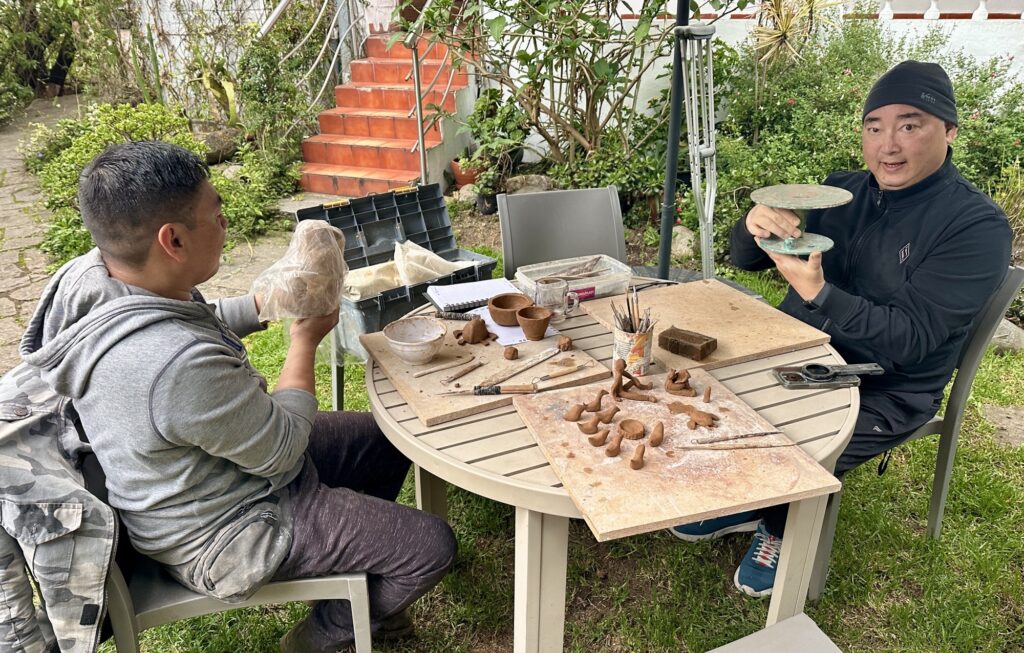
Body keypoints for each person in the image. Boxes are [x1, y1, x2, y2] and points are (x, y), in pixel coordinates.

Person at [20, 140, 457, 652]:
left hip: (198, 482)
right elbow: (283, 447)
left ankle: (362, 579)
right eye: (217, 214)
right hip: (227, 529)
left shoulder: (98, 277)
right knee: (431, 547)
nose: (225, 224)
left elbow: (183, 322)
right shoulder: (175, 365)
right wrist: (304, 339)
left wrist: (264, 302)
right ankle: (323, 638)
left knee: (382, 438)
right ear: (174, 240)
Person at [668, 60, 1012, 598]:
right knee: (694, 388)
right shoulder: (837, 193)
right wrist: (753, 224)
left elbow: (911, 340)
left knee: (791, 439)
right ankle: (749, 499)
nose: (888, 145)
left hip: (884, 385)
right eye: (874, 126)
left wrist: (819, 295)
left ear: (948, 129)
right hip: (792, 355)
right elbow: (747, 259)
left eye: (909, 124)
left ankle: (781, 524)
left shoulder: (975, 226)